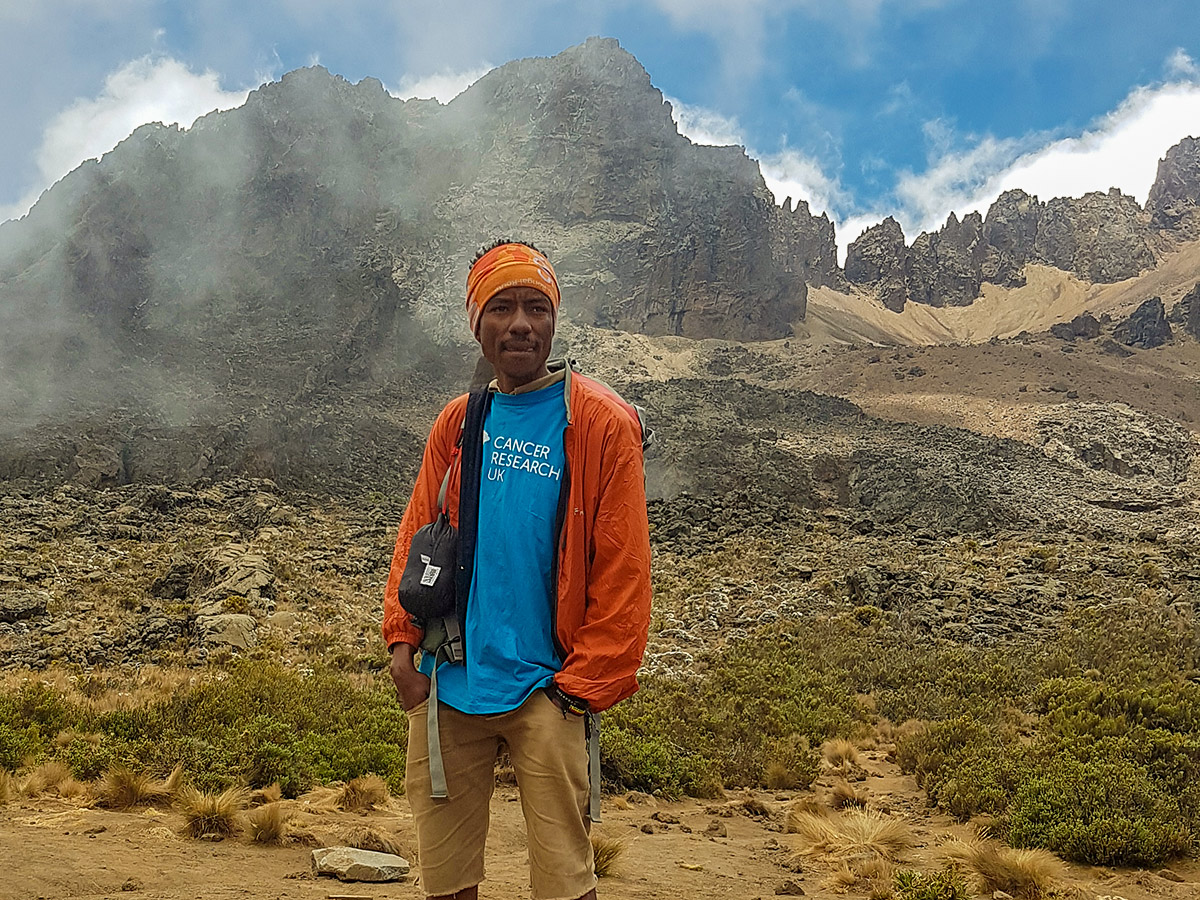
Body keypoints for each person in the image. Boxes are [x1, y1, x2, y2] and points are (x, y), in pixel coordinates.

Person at [382, 239, 652, 900]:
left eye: (537, 306)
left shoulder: (599, 423)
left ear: (555, 318)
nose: (521, 323)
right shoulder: (459, 421)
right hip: (451, 682)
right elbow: (417, 532)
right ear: (477, 324)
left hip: (548, 689)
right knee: (445, 880)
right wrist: (400, 645)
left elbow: (625, 568)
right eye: (502, 308)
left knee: (565, 879)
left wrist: (583, 686)